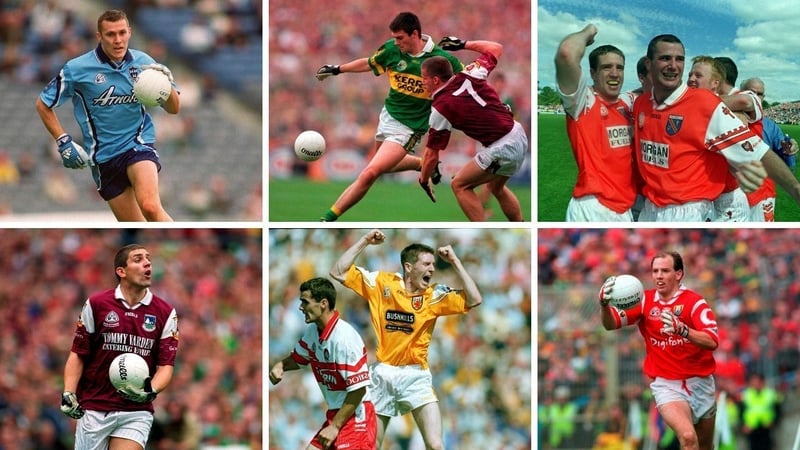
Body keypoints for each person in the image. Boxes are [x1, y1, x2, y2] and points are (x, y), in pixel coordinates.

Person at [329, 229, 482, 449]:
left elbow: (475, 299)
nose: (432, 269)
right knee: (370, 446)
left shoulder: (434, 295)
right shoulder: (382, 283)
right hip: (382, 374)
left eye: (433, 265)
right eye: (426, 264)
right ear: (409, 268)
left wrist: (455, 261)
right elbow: (338, 271)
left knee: (436, 445)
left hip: (416, 375)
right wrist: (364, 241)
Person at [633, 34, 800, 221]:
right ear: (648, 63)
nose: (673, 65)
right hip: (649, 208)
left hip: (689, 212)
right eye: (665, 58)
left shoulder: (705, 105)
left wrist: (795, 189)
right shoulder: (640, 104)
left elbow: (756, 150)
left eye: (679, 59)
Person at [315, 12, 463, 221]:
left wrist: (494, 105)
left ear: (415, 34)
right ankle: (422, 164)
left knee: (370, 173)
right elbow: (369, 63)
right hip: (388, 115)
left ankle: (328, 219)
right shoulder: (392, 50)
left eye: (400, 38)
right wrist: (338, 69)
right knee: (381, 165)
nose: (396, 42)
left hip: (409, 128)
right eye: (394, 37)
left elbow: (469, 81)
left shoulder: (442, 60)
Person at [36, 9, 178, 222]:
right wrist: (63, 141)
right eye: (111, 34)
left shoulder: (144, 62)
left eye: (122, 33)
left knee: (150, 206)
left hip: (138, 144)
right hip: (103, 158)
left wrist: (166, 87)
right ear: (99, 36)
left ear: (129, 32)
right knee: (135, 225)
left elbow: (174, 108)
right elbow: (43, 104)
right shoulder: (77, 69)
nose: (118, 40)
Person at [60, 244, 180, 450]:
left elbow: (166, 366)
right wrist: (69, 392)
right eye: (138, 259)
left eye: (148, 258)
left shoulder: (165, 312)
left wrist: (150, 390)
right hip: (95, 406)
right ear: (121, 271)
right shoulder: (97, 304)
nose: (147, 262)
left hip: (135, 410)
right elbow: (78, 354)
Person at [598, 251, 720, 450]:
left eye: (664, 270)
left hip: (701, 383)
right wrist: (604, 305)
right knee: (688, 438)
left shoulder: (695, 302)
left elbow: (712, 340)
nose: (658, 276)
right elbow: (610, 324)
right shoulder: (644, 302)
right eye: (655, 271)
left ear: (678, 274)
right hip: (667, 385)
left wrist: (683, 330)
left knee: (705, 446)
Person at [416, 37, 527, 221]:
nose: (422, 82)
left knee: (459, 184)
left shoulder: (440, 107)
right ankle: (521, 223)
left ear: (436, 80)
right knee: (495, 188)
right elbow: (496, 47)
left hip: (501, 146)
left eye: (424, 78)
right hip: (518, 134)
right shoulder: (469, 73)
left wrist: (423, 179)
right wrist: (462, 44)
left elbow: (431, 155)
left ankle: (482, 228)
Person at [268, 277, 377, 450]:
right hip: (336, 415)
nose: (301, 307)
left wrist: (334, 427)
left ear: (323, 303)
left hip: (356, 416)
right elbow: (298, 359)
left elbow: (358, 389)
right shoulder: (313, 332)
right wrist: (281, 365)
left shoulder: (344, 338)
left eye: (305, 302)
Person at [554, 24, 639, 221]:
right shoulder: (582, 101)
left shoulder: (628, 102)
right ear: (592, 73)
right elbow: (566, 53)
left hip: (625, 207)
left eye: (619, 67)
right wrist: (588, 32)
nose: (615, 73)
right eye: (607, 67)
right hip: (593, 207)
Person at [685, 55, 751, 222]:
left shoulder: (727, 114)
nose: (691, 79)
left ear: (715, 83)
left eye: (698, 76)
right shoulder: (687, 108)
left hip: (728, 199)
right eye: (690, 75)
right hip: (702, 200)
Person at [739, 77, 799, 221]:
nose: (756, 97)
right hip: (733, 195)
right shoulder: (727, 120)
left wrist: (789, 151)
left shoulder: (770, 126)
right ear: (741, 93)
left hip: (763, 195)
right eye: (751, 92)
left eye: (760, 94)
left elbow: (788, 164)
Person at [741, 372, 781, 450]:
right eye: (753, 381)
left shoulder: (770, 393)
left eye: (757, 381)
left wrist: (774, 422)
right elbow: (742, 410)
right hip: (751, 427)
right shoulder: (746, 394)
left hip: (766, 427)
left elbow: (778, 409)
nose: (755, 384)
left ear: (762, 382)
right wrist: (743, 425)